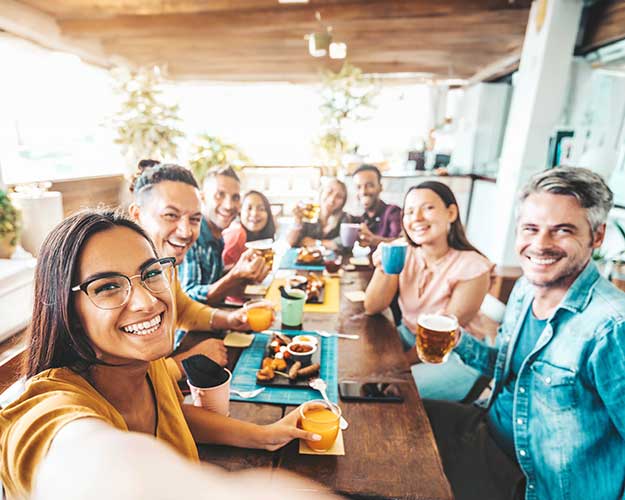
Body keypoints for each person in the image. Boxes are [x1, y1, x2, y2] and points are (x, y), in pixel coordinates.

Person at [0, 210, 324, 498]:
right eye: (108, 286)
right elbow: (85, 461)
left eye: (152, 273)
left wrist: (267, 435)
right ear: (67, 312)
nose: (147, 302)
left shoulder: (147, 366)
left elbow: (175, 415)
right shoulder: (48, 406)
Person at [424, 167, 625, 500]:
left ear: (597, 236)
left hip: (535, 483)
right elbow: (510, 368)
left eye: (562, 231)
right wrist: (460, 342)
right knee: (391, 418)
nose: (540, 245)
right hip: (489, 431)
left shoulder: (611, 327)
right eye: (530, 229)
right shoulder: (524, 289)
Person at [364, 181, 494, 401]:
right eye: (410, 211)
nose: (416, 218)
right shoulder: (405, 252)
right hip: (409, 336)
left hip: (454, 354)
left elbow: (438, 339)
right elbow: (372, 306)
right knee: (362, 364)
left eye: (428, 208)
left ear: (451, 212)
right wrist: (383, 267)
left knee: (395, 391)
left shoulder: (473, 267)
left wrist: (395, 368)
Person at [128, 162, 248, 372]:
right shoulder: (120, 281)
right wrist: (186, 361)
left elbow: (182, 309)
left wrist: (230, 319)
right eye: (171, 215)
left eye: (194, 219)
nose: (186, 232)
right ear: (137, 215)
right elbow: (123, 380)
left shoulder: (166, 263)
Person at [179, 166, 270, 305]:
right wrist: (235, 275)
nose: (229, 205)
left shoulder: (218, 235)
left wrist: (244, 271)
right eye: (219, 195)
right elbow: (187, 300)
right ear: (202, 198)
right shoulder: (190, 237)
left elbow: (213, 278)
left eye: (235, 197)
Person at [286, 178, 354, 250]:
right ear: (321, 192)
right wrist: (297, 220)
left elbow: (345, 244)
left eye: (339, 196)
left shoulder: (344, 218)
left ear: (343, 202)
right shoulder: (308, 213)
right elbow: (291, 242)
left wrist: (316, 242)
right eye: (329, 192)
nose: (332, 199)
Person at [222, 190, 276, 269]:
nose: (254, 213)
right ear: (240, 212)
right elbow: (221, 271)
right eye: (249, 208)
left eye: (261, 209)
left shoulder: (263, 239)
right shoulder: (237, 233)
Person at [352, 164, 402, 248]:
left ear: (380, 187)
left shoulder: (393, 212)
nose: (363, 192)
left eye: (369, 185)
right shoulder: (361, 219)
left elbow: (401, 242)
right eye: (358, 187)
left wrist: (372, 240)